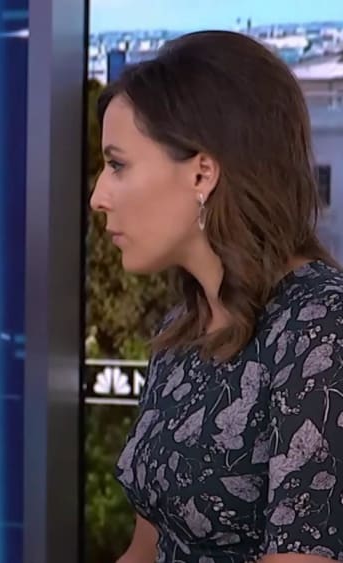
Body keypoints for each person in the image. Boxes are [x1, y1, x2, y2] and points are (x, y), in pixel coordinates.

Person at [90, 31, 343, 563]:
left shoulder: (322, 330)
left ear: (202, 173)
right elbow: (147, 548)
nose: (98, 196)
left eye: (118, 165)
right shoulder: (179, 332)